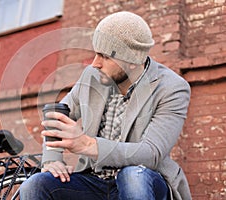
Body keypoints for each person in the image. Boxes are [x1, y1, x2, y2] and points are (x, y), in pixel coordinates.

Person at [20, 11, 191, 200]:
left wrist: (88, 145)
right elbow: (57, 116)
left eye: (105, 56)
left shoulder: (171, 88)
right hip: (93, 180)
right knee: (35, 185)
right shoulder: (91, 77)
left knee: (132, 176)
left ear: (133, 60)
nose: (95, 63)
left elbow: (151, 154)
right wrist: (52, 159)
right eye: (96, 53)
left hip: (146, 181)